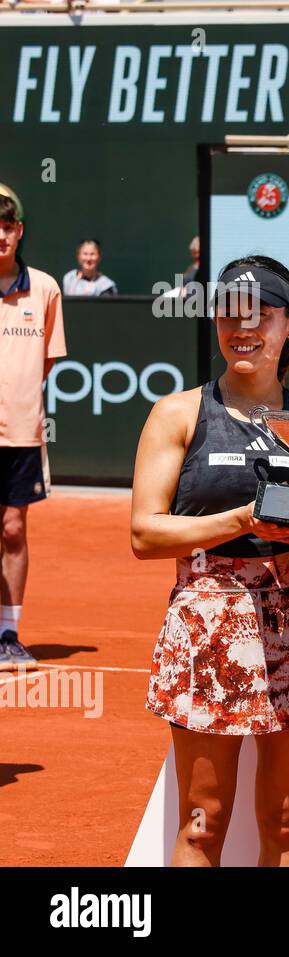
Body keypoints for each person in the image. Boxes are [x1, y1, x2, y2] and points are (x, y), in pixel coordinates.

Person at [131, 256, 289, 866]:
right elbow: (145, 534)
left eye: (261, 314)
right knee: (203, 824)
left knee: (285, 826)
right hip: (206, 624)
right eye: (229, 313)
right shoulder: (178, 413)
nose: (242, 328)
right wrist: (242, 521)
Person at [0, 193, 65, 672]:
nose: (0, 235)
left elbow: (42, 365)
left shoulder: (44, 288)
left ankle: (8, 633)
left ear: (19, 230)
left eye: (7, 226)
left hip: (21, 434)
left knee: (14, 528)